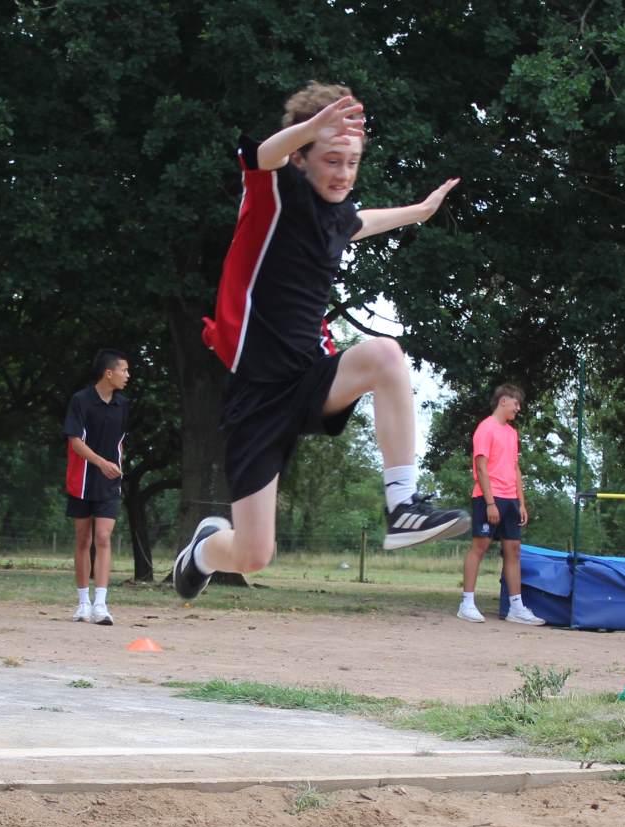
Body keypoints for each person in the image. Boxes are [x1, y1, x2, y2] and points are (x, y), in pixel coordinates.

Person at [172, 84, 466, 599]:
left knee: (386, 355)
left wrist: (418, 212)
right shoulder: (274, 196)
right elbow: (260, 155)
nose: (343, 173)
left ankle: (402, 505)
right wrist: (310, 127)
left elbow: (362, 221)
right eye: (331, 160)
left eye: (352, 162)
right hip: (257, 396)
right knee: (254, 555)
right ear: (301, 158)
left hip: (309, 376)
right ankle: (203, 551)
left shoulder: (337, 216)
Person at [457, 384, 545, 625]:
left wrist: (521, 503)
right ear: (503, 401)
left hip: (510, 500)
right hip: (488, 498)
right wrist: (490, 503)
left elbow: (515, 468)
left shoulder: (512, 433)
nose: (518, 408)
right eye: (516, 403)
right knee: (480, 546)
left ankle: (516, 608)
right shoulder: (485, 429)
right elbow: (481, 467)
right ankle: (467, 603)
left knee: (513, 550)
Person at [63, 349, 129, 624]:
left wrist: (115, 466)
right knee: (83, 539)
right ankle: (83, 604)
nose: (127, 375)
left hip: (109, 481)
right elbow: (75, 441)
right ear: (108, 373)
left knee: (103, 537)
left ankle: (101, 605)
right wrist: (101, 462)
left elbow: (121, 442)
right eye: (124, 370)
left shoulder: (123, 405)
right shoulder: (80, 400)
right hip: (82, 480)